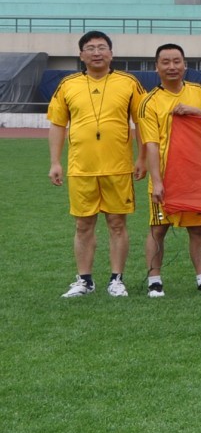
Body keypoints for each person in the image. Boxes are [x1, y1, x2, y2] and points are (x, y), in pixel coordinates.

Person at [49, 30, 146, 298]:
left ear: (111, 53)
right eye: (90, 48)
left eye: (102, 47)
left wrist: (141, 158)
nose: (96, 52)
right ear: (81, 55)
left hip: (118, 167)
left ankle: (117, 279)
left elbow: (142, 122)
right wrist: (55, 162)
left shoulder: (129, 82)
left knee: (117, 223)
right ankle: (84, 280)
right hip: (82, 168)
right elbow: (58, 124)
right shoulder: (67, 85)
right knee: (83, 225)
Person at [138, 42, 201, 297]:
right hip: (165, 177)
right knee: (158, 229)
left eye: (177, 61)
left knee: (196, 229)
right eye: (166, 62)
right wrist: (157, 181)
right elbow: (150, 144)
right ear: (157, 67)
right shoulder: (149, 101)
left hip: (195, 176)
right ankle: (154, 280)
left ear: (185, 65)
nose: (172, 66)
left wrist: (193, 111)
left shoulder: (199, 93)